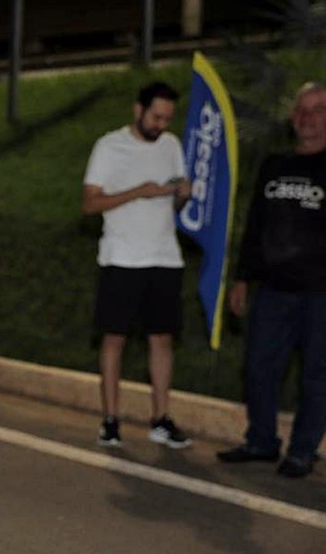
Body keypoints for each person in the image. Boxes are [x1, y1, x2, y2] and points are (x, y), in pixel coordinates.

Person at [216, 82, 326, 478]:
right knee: (260, 367)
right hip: (273, 291)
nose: (308, 117)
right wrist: (243, 278)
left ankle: (302, 450)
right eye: (302, 109)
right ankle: (261, 440)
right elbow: (255, 226)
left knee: (317, 376)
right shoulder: (274, 166)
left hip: (320, 295)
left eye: (318, 109)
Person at [81, 82, 194, 449]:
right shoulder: (109, 146)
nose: (161, 124)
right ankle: (111, 419)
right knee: (115, 338)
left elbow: (173, 206)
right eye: (156, 116)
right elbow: (89, 204)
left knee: (161, 339)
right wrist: (137, 192)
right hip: (121, 258)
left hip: (164, 257)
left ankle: (161, 419)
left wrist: (180, 196)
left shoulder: (172, 146)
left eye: (167, 118)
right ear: (138, 110)